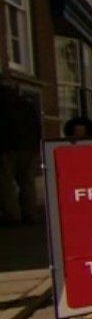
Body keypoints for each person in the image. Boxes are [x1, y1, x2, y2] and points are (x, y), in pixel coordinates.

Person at [0, 83, 41, 224]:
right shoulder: (26, 105)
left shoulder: (3, 105)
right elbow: (37, 125)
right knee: (27, 181)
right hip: (29, 147)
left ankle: (12, 214)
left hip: (8, 147)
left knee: (6, 183)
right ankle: (30, 213)